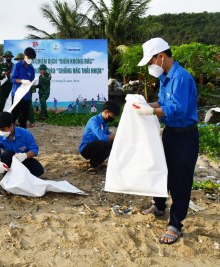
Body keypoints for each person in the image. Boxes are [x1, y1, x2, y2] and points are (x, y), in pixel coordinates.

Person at [133, 37, 199, 245]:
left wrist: (151, 111)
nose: (151, 66)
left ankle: (176, 224)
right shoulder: (165, 77)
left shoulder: (182, 78)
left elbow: (178, 109)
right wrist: (142, 104)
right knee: (161, 169)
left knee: (180, 180)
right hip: (170, 132)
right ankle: (159, 205)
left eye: (151, 61)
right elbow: (163, 102)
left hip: (185, 136)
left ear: (161, 57)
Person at [0, 112, 44, 177]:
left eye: (3, 129)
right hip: (9, 163)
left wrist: (24, 155)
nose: (1, 132)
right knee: (6, 154)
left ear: (11, 125)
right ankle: (8, 176)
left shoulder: (25, 134)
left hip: (24, 160)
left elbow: (34, 149)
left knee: (38, 170)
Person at [79, 101, 120, 175]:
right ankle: (92, 165)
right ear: (106, 111)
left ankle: (98, 163)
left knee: (112, 143)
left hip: (96, 147)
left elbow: (108, 134)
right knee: (99, 143)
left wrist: (115, 137)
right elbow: (102, 137)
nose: (112, 118)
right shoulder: (94, 121)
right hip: (86, 149)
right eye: (112, 115)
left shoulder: (105, 123)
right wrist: (116, 136)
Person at [10, 47, 36, 129]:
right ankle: (11, 131)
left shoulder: (31, 68)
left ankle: (23, 133)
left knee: (24, 116)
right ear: (24, 56)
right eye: (29, 58)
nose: (30, 60)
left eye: (31, 59)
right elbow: (12, 79)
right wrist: (21, 81)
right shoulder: (17, 66)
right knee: (14, 114)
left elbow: (31, 80)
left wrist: (32, 83)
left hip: (26, 95)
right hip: (17, 94)